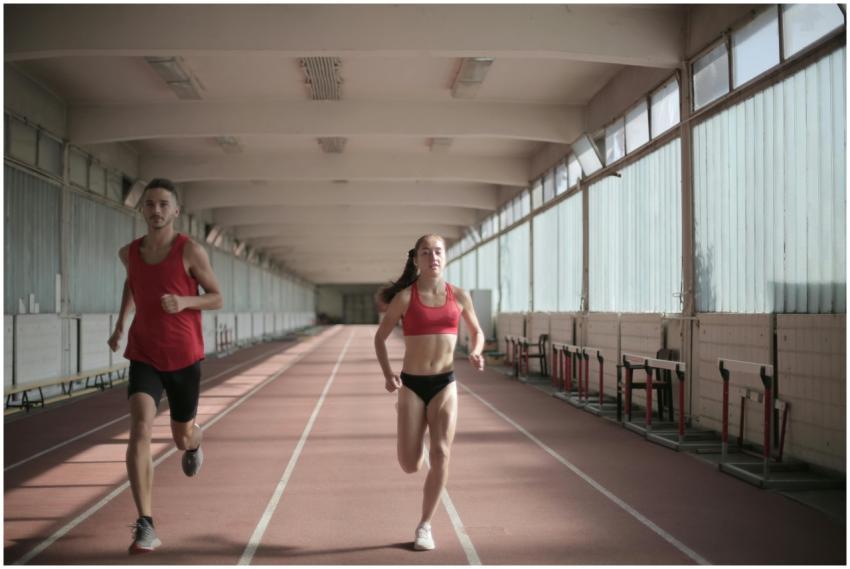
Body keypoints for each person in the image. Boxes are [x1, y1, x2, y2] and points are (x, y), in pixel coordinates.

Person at [108, 178, 223, 554]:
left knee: (180, 435)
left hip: (184, 356)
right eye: (150, 204)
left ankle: (195, 440)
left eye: (163, 205)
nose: (156, 210)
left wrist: (185, 303)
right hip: (144, 353)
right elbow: (132, 283)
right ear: (142, 209)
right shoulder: (129, 253)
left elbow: (217, 297)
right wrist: (120, 325)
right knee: (139, 427)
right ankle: (146, 523)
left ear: (175, 211)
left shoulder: (189, 251)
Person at [373, 234, 484, 551]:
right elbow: (380, 339)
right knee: (410, 464)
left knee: (442, 453)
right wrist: (387, 375)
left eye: (438, 252)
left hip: (444, 384)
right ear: (417, 259)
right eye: (426, 252)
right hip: (411, 385)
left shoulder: (460, 296)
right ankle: (412, 428)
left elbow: (477, 332)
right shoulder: (406, 298)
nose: (433, 256)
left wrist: (476, 351)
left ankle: (425, 525)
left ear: (445, 257)